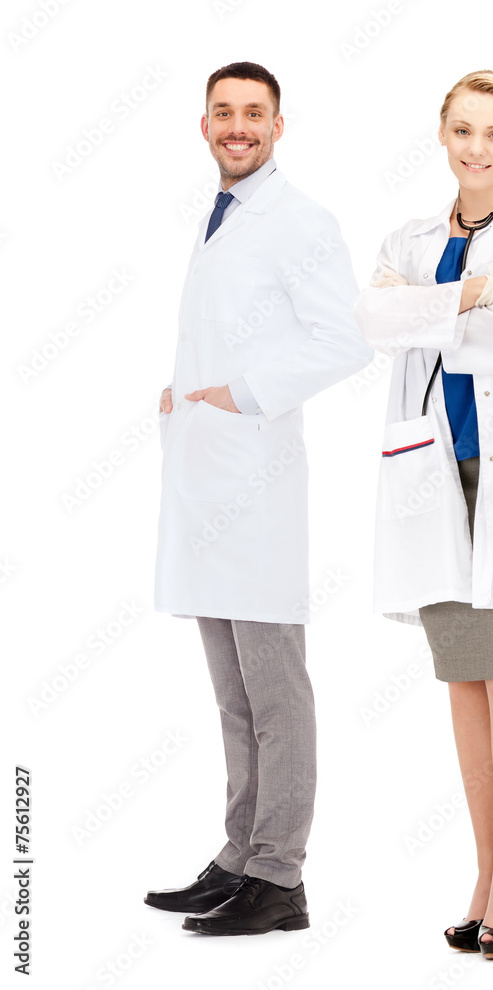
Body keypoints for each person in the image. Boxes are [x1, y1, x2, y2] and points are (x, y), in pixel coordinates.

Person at [354, 70, 493, 960]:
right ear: (442, 136)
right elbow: (372, 322)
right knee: (462, 679)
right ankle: (489, 868)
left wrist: (428, 314)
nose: (476, 147)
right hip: (430, 477)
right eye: (462, 130)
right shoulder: (409, 238)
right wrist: (480, 292)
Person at [145, 61, 372, 936]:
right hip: (208, 480)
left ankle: (280, 877)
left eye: (254, 113)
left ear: (280, 126)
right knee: (233, 694)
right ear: (204, 124)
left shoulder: (301, 219)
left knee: (275, 691)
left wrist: (239, 394)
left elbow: (344, 340)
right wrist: (185, 387)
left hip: (256, 483)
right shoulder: (224, 213)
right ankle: (240, 854)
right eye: (224, 112)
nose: (238, 125)